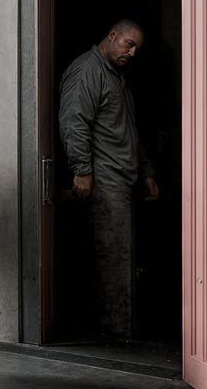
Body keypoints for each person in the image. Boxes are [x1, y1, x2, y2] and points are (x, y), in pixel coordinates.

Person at [57, 18, 160, 339]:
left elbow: (128, 131)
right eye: (128, 43)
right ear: (112, 36)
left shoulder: (117, 78)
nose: (132, 52)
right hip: (104, 181)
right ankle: (114, 337)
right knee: (113, 261)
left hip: (124, 179)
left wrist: (147, 171)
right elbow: (74, 122)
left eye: (136, 48)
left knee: (120, 258)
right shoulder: (88, 71)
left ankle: (119, 329)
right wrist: (82, 170)